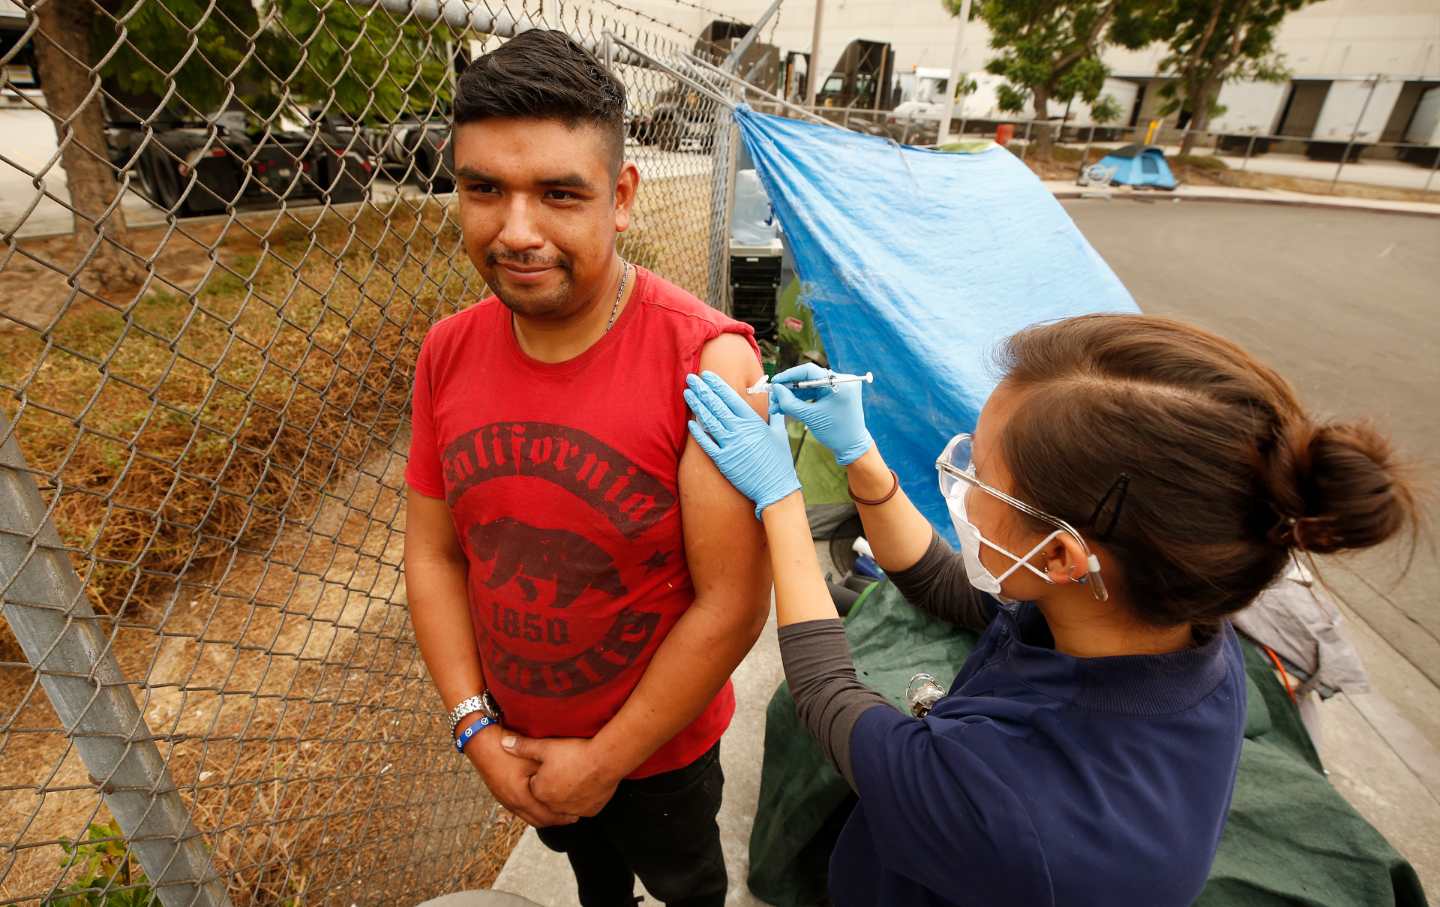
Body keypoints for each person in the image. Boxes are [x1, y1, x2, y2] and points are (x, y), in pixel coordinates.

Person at [683, 314, 1417, 906]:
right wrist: (860, 455)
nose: (962, 484)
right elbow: (950, 588)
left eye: (981, 474)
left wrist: (780, 499)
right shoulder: (1160, 626)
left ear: (1065, 556)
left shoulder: (1014, 808)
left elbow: (825, 694)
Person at [402, 30, 771, 907]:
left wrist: (601, 763)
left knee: (686, 883)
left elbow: (732, 604)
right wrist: (475, 729)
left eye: (560, 193)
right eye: (483, 188)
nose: (516, 230)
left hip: (661, 753)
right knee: (594, 880)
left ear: (621, 195)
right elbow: (435, 555)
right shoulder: (447, 351)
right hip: (520, 739)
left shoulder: (710, 366)